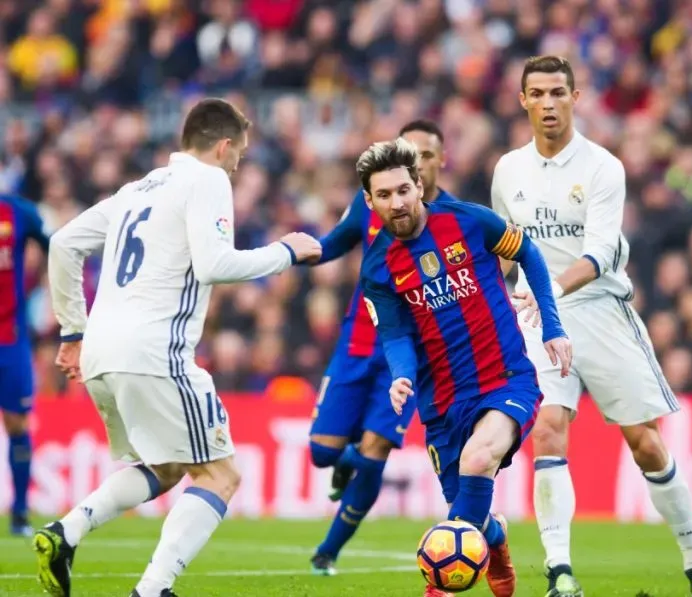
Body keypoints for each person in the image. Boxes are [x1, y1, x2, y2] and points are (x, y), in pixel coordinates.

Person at [36, 98, 322, 597]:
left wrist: (72, 333)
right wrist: (286, 252)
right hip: (154, 351)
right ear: (224, 146)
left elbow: (63, 243)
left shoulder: (136, 188)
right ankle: (152, 589)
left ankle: (66, 532)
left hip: (103, 351)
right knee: (221, 475)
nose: (239, 166)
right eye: (240, 154)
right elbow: (213, 264)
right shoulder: (208, 179)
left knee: (166, 465)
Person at [491, 55, 692, 597]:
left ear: (575, 97)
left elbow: (601, 254)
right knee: (547, 426)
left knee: (645, 443)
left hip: (599, 310)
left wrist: (549, 293)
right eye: (537, 93)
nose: (547, 103)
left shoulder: (603, 168)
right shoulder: (507, 170)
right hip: (536, 318)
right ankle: (560, 571)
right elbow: (501, 254)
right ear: (522, 100)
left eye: (557, 93)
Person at [357, 137, 571, 597]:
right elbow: (395, 336)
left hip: (506, 379)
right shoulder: (377, 267)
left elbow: (528, 254)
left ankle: (440, 588)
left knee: (479, 461)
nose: (396, 203)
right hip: (442, 403)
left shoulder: (470, 221)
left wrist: (552, 326)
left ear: (418, 186)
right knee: (469, 507)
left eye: (402, 190)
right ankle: (495, 539)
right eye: (384, 195)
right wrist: (401, 376)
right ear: (369, 200)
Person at [307, 119, 457, 575]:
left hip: (407, 355)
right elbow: (334, 245)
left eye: (426, 155)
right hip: (355, 344)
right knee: (323, 453)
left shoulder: (453, 217)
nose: (417, 161)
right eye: (410, 152)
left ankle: (327, 551)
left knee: (375, 449)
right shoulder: (368, 202)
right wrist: (294, 252)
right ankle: (344, 462)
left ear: (437, 162)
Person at [0, 193, 49, 537]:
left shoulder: (18, 212)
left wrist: (41, 289)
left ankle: (19, 513)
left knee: (17, 423)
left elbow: (57, 245)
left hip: (10, 336)